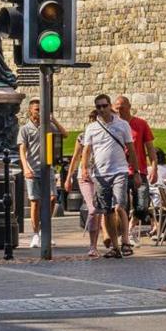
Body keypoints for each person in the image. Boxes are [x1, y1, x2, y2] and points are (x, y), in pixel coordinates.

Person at [78, 94, 134, 258]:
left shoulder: (122, 125)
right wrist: (84, 169)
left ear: (110, 106)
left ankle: (125, 241)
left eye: (104, 105)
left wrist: (136, 172)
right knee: (107, 211)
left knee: (119, 206)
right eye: (99, 107)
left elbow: (131, 149)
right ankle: (115, 247)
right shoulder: (92, 128)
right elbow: (87, 150)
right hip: (100, 174)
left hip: (119, 171)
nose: (102, 109)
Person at [17, 101, 62, 250]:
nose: (39, 112)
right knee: (35, 202)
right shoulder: (25, 129)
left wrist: (53, 119)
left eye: (41, 110)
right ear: (31, 111)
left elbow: (64, 134)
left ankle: (45, 229)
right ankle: (35, 233)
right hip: (33, 169)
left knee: (52, 198)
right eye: (37, 110)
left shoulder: (47, 127)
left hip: (47, 170)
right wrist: (26, 168)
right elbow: (22, 151)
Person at [114, 96, 155, 248]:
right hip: (121, 171)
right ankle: (126, 234)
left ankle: (129, 229)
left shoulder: (141, 124)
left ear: (129, 106)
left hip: (140, 171)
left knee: (142, 205)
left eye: (122, 107)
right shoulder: (114, 125)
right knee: (121, 205)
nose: (119, 111)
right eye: (116, 108)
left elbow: (150, 147)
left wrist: (154, 166)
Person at [71, 106, 107, 255]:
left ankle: (96, 243)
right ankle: (93, 245)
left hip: (99, 174)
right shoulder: (81, 137)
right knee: (93, 209)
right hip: (84, 175)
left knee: (101, 210)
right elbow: (75, 157)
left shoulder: (103, 135)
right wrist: (68, 178)